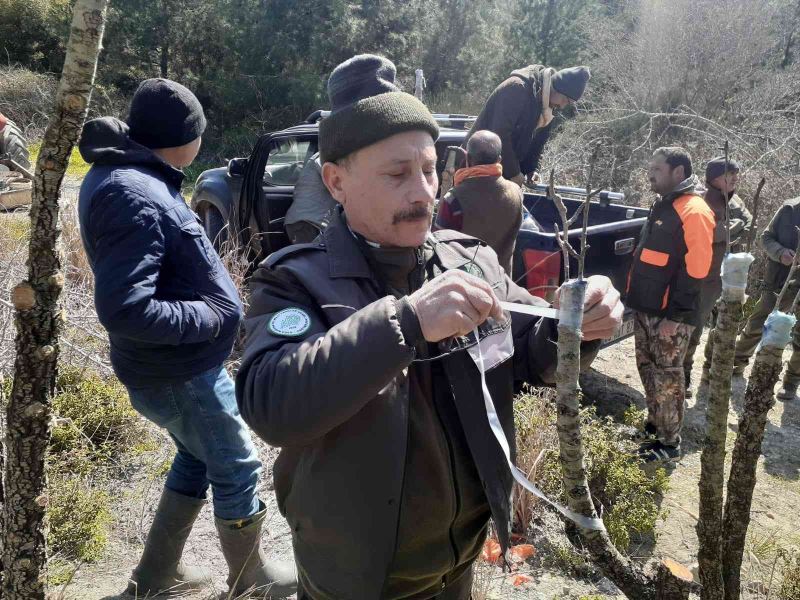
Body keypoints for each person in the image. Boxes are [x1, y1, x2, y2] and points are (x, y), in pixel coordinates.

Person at [236, 54, 623, 600]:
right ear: (336, 181)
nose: (423, 192)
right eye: (397, 174)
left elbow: (526, 357)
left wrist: (575, 328)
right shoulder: (295, 282)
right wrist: (407, 320)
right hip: (358, 575)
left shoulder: (471, 261)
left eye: (429, 169)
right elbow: (271, 404)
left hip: (459, 563)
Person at [77, 78, 296, 598]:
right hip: (179, 373)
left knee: (198, 456)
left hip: (171, 369)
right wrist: (215, 314)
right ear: (184, 137)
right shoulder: (131, 193)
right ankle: (251, 579)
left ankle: (157, 575)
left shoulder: (133, 177)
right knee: (237, 461)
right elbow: (128, 308)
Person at [625, 147, 715, 462]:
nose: (650, 174)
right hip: (647, 310)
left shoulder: (694, 210)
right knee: (649, 370)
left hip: (669, 317)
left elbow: (698, 269)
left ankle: (670, 443)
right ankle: (654, 425)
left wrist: (675, 317)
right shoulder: (664, 205)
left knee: (668, 377)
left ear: (678, 172)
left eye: (657, 169)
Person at [683, 157, 752, 398]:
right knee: (691, 328)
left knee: (715, 327)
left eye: (736, 174)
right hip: (698, 277)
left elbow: (748, 222)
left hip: (721, 278)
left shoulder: (733, 201)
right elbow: (699, 234)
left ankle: (707, 371)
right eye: (728, 174)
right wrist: (728, 230)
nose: (734, 178)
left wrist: (738, 227)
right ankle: (683, 375)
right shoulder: (699, 199)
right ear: (713, 178)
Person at [462, 64, 590, 186]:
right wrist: (515, 173)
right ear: (557, 87)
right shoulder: (517, 89)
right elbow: (500, 134)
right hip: (473, 170)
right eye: (564, 99)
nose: (562, 105)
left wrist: (531, 170)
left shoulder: (547, 106)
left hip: (498, 176)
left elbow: (539, 142)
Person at [733, 198, 800, 401]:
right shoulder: (789, 208)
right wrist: (781, 253)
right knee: (758, 322)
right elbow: (766, 237)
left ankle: (791, 382)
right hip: (780, 282)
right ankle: (737, 362)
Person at [434, 129, 523, 274]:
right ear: (499, 160)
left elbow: (438, 245)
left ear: (467, 159)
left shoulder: (454, 198)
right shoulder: (517, 192)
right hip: (503, 286)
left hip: (464, 287)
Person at [284, 151, 338, 243]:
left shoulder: (321, 158)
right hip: (307, 223)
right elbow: (338, 178)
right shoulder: (322, 158)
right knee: (312, 256)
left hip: (304, 222)